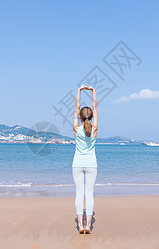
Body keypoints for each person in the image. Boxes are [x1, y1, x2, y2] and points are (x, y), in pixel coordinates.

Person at [72, 84, 98, 234]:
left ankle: (80, 226)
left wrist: (79, 90)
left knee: (78, 194)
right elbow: (94, 106)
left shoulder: (76, 128)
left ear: (80, 117)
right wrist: (93, 90)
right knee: (89, 194)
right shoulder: (94, 128)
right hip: (91, 165)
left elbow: (76, 107)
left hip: (77, 164)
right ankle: (88, 226)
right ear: (92, 116)